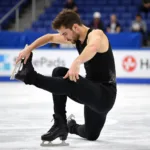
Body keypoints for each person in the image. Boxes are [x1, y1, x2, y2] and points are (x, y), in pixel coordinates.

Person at [15, 9, 117, 144]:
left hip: (105, 95)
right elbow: (49, 38)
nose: (64, 38)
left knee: (90, 133)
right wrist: (28, 49)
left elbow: (92, 47)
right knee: (59, 72)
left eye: (65, 33)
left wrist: (77, 61)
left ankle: (31, 77)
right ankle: (62, 124)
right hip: (89, 91)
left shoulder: (96, 34)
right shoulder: (76, 38)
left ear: (75, 27)